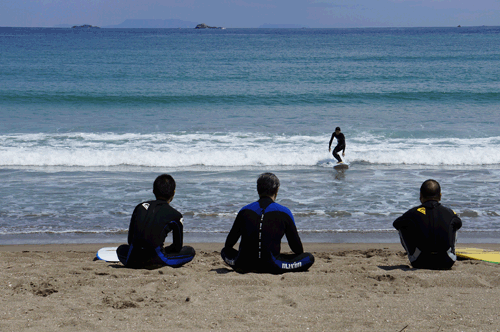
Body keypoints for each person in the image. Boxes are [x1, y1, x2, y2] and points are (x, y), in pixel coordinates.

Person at [221, 173, 314, 274]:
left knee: (224, 251)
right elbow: (297, 249)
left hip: (243, 265)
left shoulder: (244, 210)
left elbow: (229, 244)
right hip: (273, 266)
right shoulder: (284, 212)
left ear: (258, 190)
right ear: (277, 190)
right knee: (308, 258)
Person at [117, 174, 195, 269]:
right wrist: (166, 250)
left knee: (120, 249)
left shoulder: (139, 207)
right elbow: (177, 247)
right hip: (156, 259)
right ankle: (157, 260)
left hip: (133, 259)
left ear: (153, 191)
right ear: (173, 193)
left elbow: (130, 240)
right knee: (190, 252)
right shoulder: (176, 215)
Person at [393, 179, 462, 270]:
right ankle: (451, 252)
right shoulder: (450, 213)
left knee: (403, 226)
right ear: (440, 196)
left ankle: (413, 254)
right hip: (447, 262)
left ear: (420, 196)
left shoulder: (412, 213)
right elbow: (459, 223)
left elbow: (396, 224)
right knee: (454, 224)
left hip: (419, 262)